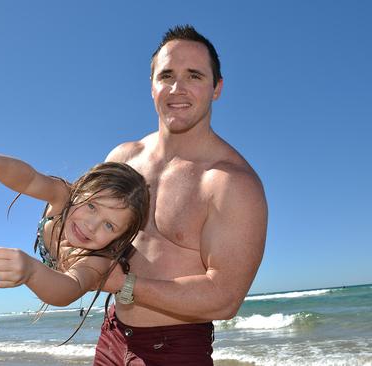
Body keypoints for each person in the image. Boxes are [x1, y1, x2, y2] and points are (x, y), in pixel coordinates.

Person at [90, 25, 268, 365]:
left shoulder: (231, 183)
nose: (177, 88)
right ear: (152, 85)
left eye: (194, 76)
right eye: (166, 75)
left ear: (217, 88)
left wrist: (123, 283)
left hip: (176, 347)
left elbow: (224, 299)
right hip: (111, 335)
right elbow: (85, 232)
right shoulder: (123, 159)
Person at [0, 134, 150, 340]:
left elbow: (69, 289)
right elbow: (30, 179)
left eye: (109, 225)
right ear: (80, 191)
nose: (91, 225)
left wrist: (32, 272)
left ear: (120, 238)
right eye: (91, 206)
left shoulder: (98, 259)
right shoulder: (63, 196)